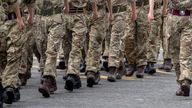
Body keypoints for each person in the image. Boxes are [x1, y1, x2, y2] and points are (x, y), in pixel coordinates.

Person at [149, 0, 192, 96]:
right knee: (175, 53)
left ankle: (186, 80)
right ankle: (181, 84)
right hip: (173, 19)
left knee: (186, 52)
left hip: (189, 20)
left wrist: (181, 4)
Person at [0, 0, 35, 104]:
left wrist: (24, 17)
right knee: (9, 56)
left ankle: (9, 85)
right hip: (11, 21)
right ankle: (9, 85)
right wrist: (20, 18)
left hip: (11, 22)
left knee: (12, 55)